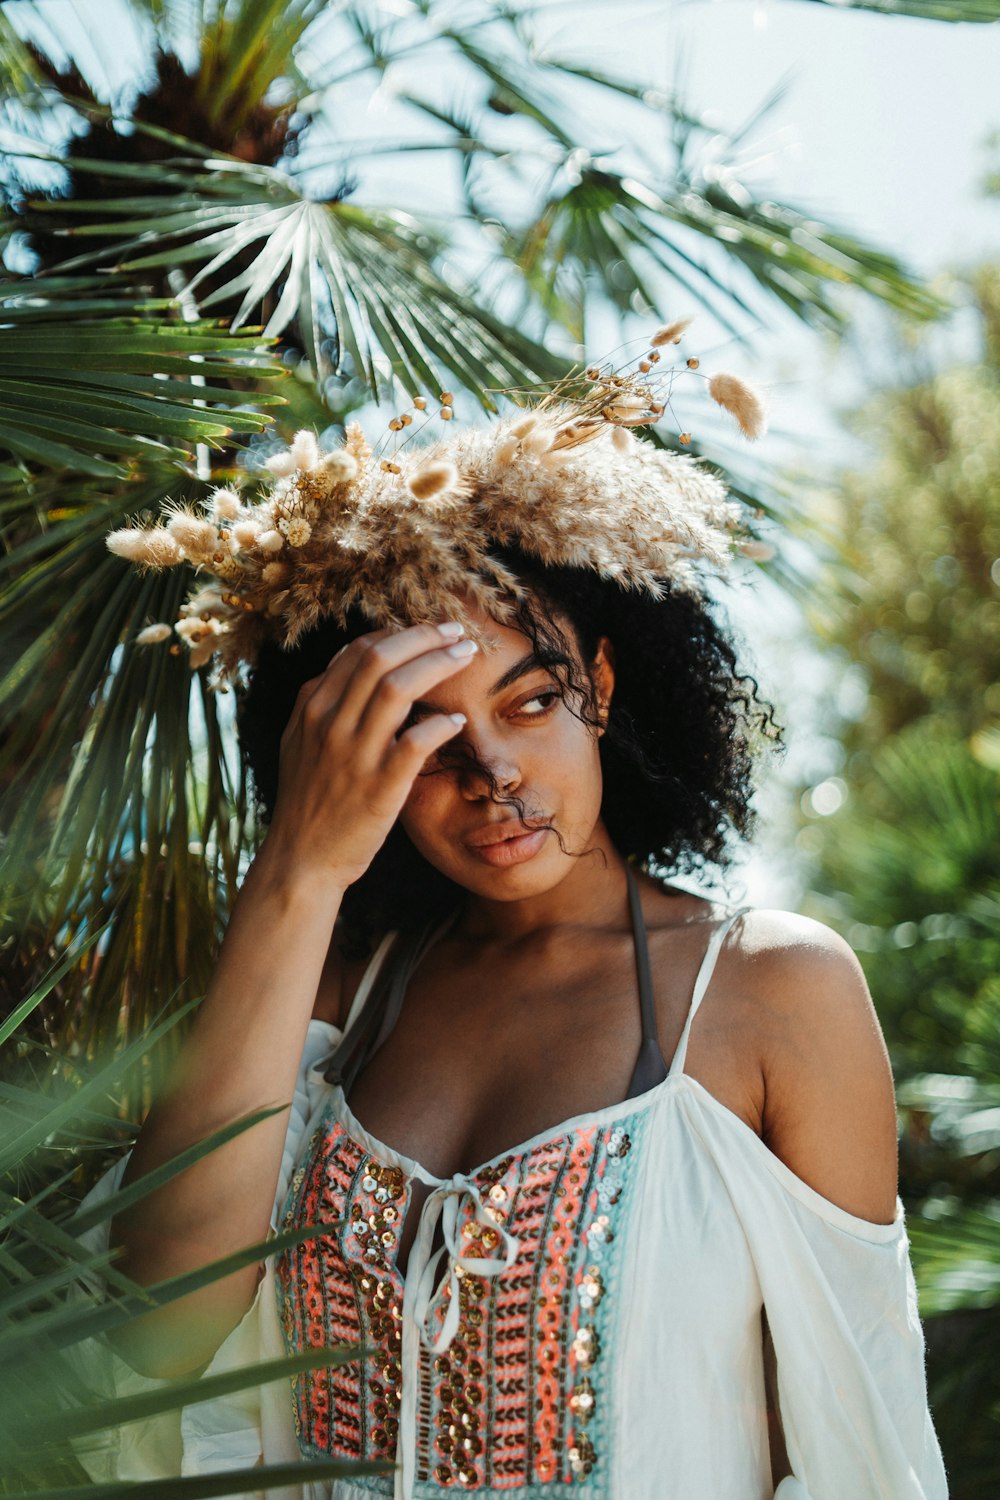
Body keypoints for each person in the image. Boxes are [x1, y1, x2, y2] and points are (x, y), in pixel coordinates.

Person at [86, 356, 947, 1500]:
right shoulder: (333, 982)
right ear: (341, 743)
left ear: (599, 681)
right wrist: (298, 870)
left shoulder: (766, 992)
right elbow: (154, 1343)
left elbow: (857, 1440)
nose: (491, 772)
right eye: (423, 732)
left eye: (530, 702)